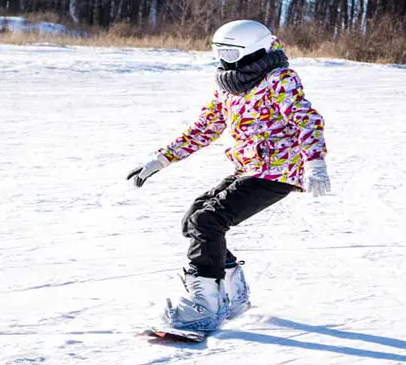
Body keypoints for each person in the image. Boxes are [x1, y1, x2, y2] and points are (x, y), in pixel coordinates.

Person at [126, 19, 330, 331]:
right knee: (194, 219)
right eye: (219, 52)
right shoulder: (229, 85)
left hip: (277, 171)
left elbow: (306, 119)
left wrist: (315, 162)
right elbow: (204, 128)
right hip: (250, 168)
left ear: (253, 51)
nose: (223, 60)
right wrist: (160, 160)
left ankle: (206, 306)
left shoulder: (279, 79)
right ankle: (233, 294)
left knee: (207, 222)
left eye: (230, 54)